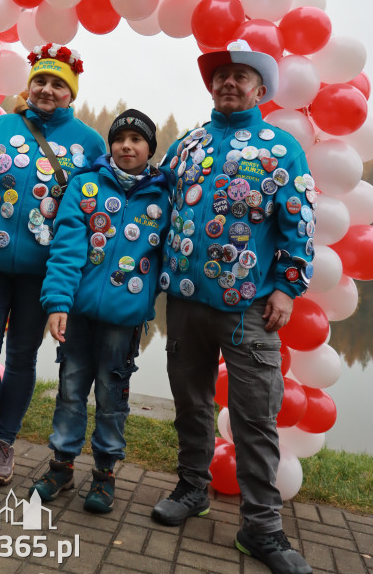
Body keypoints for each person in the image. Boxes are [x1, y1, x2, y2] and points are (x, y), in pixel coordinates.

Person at [151, 40, 314, 574]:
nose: (229, 82)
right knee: (191, 402)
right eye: (221, 75)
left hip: (248, 309)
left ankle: (261, 529)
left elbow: (299, 223)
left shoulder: (281, 147)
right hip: (184, 302)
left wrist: (288, 287)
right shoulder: (188, 146)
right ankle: (192, 488)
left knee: (254, 418)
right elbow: (158, 208)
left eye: (241, 76)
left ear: (260, 89)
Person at [0, 43, 105, 486]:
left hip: (42, 275)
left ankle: (6, 441)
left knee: (22, 358)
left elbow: (100, 211)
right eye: (41, 82)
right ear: (29, 86)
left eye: (58, 85)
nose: (47, 90)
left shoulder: (89, 143)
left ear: (72, 94)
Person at [29, 109, 170, 513]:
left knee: (112, 397)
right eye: (119, 138)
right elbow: (66, 246)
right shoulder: (85, 185)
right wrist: (58, 303)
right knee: (71, 391)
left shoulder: (165, 194)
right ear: (110, 145)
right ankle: (61, 467)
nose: (127, 145)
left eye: (136, 139)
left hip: (123, 321)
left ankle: (105, 475)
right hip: (78, 313)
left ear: (149, 148)